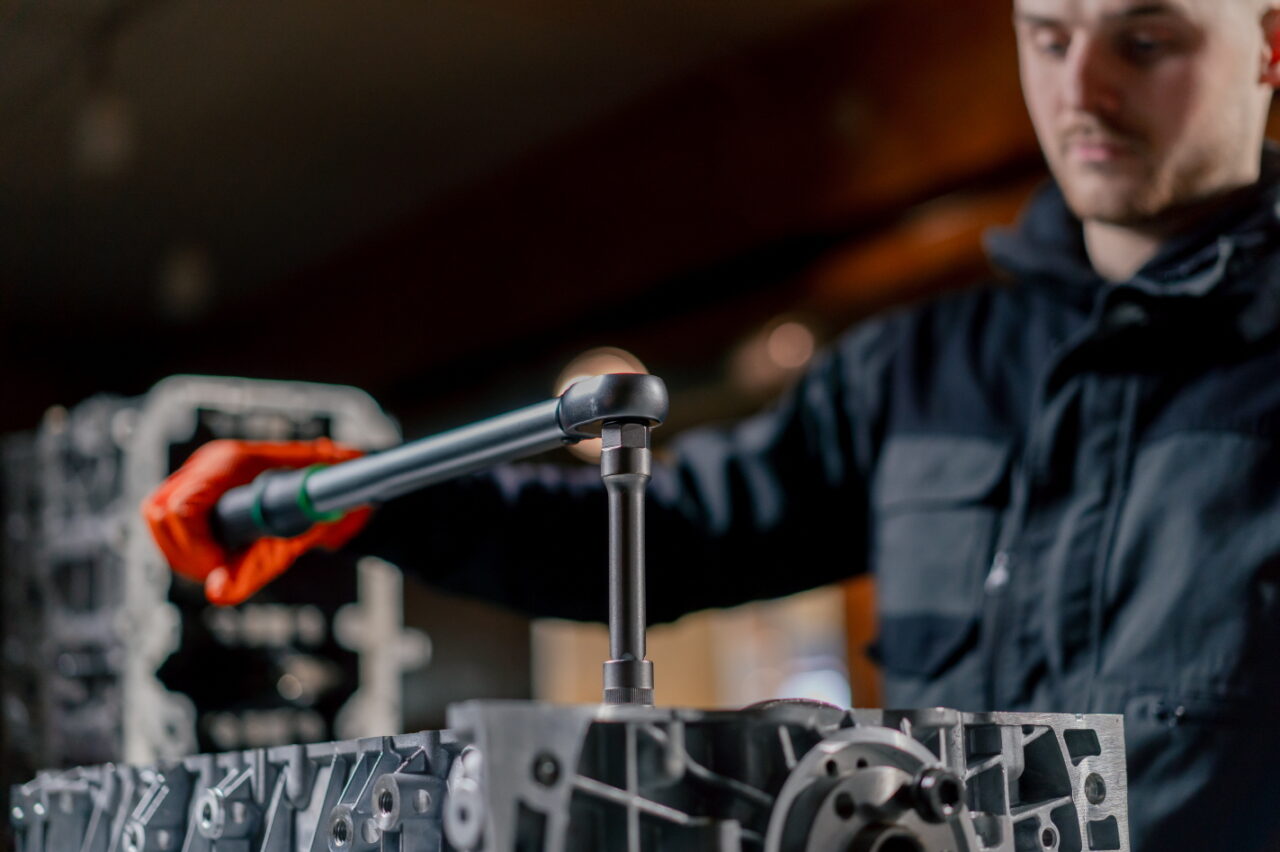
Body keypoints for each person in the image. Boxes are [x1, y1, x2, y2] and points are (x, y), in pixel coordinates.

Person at [145, 1, 1280, 849]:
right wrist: (363, 500)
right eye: (1046, 36)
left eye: (1142, 41)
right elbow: (667, 533)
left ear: (1267, 47)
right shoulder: (913, 374)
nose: (1079, 88)